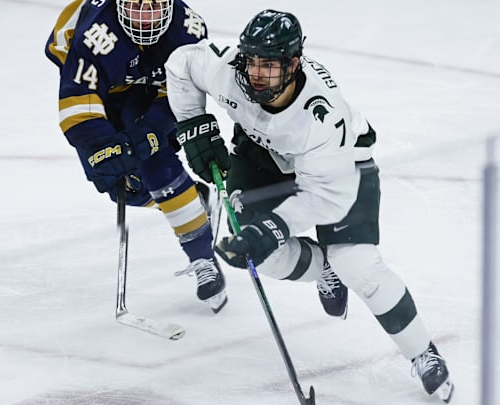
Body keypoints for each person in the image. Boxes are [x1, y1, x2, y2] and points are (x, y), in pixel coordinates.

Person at [165, 9, 454, 402]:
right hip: (262, 157)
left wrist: (270, 229)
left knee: (358, 265)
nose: (256, 74)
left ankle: (422, 352)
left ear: (293, 63)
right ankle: (323, 269)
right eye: (252, 62)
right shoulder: (228, 69)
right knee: (263, 259)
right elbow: (182, 62)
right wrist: (195, 128)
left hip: (339, 169)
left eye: (268, 66)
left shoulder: (321, 117)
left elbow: (325, 198)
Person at [44, 0, 227, 313]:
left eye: (155, 7)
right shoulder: (93, 33)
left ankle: (202, 257)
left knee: (156, 161)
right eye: (137, 7)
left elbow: (186, 94)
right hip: (105, 94)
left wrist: (153, 129)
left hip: (153, 95)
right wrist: (102, 147)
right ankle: (191, 200)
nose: (147, 18)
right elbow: (78, 102)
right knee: (121, 183)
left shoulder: (187, 30)